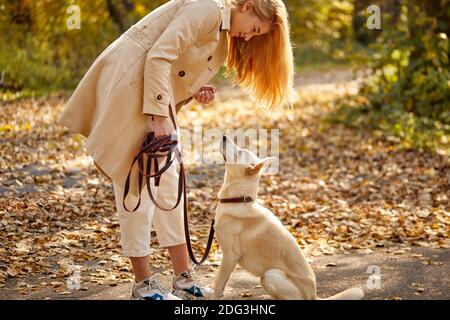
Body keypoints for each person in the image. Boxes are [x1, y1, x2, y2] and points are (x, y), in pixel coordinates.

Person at [58, 0, 294, 300]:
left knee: (170, 191)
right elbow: (158, 55)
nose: (248, 37)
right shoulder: (207, 8)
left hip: (153, 99)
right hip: (133, 92)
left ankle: (182, 278)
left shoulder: (222, 31)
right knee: (136, 191)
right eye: (254, 29)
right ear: (246, 6)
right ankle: (142, 286)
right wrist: (158, 117)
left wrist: (192, 89)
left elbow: (175, 64)